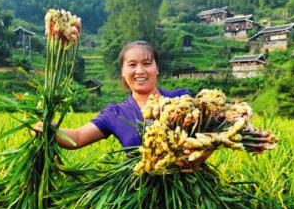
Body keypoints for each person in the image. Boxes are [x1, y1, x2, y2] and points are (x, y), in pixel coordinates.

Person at [33, 40, 210, 168]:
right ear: (123, 72)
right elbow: (78, 137)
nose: (140, 71)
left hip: (189, 193)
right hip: (139, 194)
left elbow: (213, 133)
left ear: (157, 68)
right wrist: (51, 130)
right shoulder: (115, 113)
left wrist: (201, 156)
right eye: (132, 65)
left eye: (147, 63)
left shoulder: (182, 99)